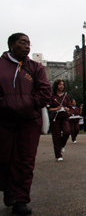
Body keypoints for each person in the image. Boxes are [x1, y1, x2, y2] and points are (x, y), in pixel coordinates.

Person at [0, 33, 51, 215]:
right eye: (23, 42)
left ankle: (20, 200)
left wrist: (24, 105)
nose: (27, 46)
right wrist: (8, 105)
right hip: (4, 121)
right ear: (11, 45)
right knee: (4, 158)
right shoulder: (1, 66)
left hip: (29, 121)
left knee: (25, 161)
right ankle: (8, 189)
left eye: (29, 43)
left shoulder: (35, 68)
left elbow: (44, 92)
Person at [48, 79, 71, 161]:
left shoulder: (66, 96)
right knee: (56, 136)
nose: (62, 86)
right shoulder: (52, 97)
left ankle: (62, 145)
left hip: (64, 117)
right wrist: (56, 109)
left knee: (67, 131)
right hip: (55, 118)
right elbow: (49, 109)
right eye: (60, 85)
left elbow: (69, 107)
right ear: (56, 86)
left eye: (63, 85)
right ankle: (58, 155)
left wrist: (67, 108)